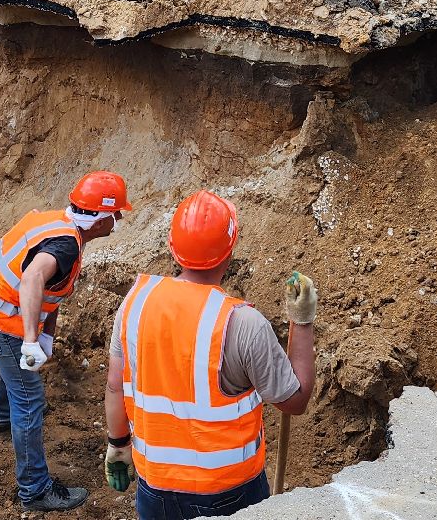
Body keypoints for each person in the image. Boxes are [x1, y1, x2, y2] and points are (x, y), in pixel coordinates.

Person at [102, 191, 318, 518]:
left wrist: (118, 444)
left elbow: (115, 385)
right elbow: (295, 401)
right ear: (229, 251)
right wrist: (302, 322)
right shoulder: (243, 324)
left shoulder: (135, 303)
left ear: (172, 248)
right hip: (229, 494)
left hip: (154, 488)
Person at [0, 172, 133, 513]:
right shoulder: (65, 246)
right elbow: (32, 279)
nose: (119, 219)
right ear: (100, 219)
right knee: (29, 398)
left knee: (13, 368)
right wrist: (29, 339)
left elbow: (52, 291)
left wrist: (45, 335)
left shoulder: (59, 224)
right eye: (116, 214)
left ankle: (2, 418)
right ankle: (35, 490)